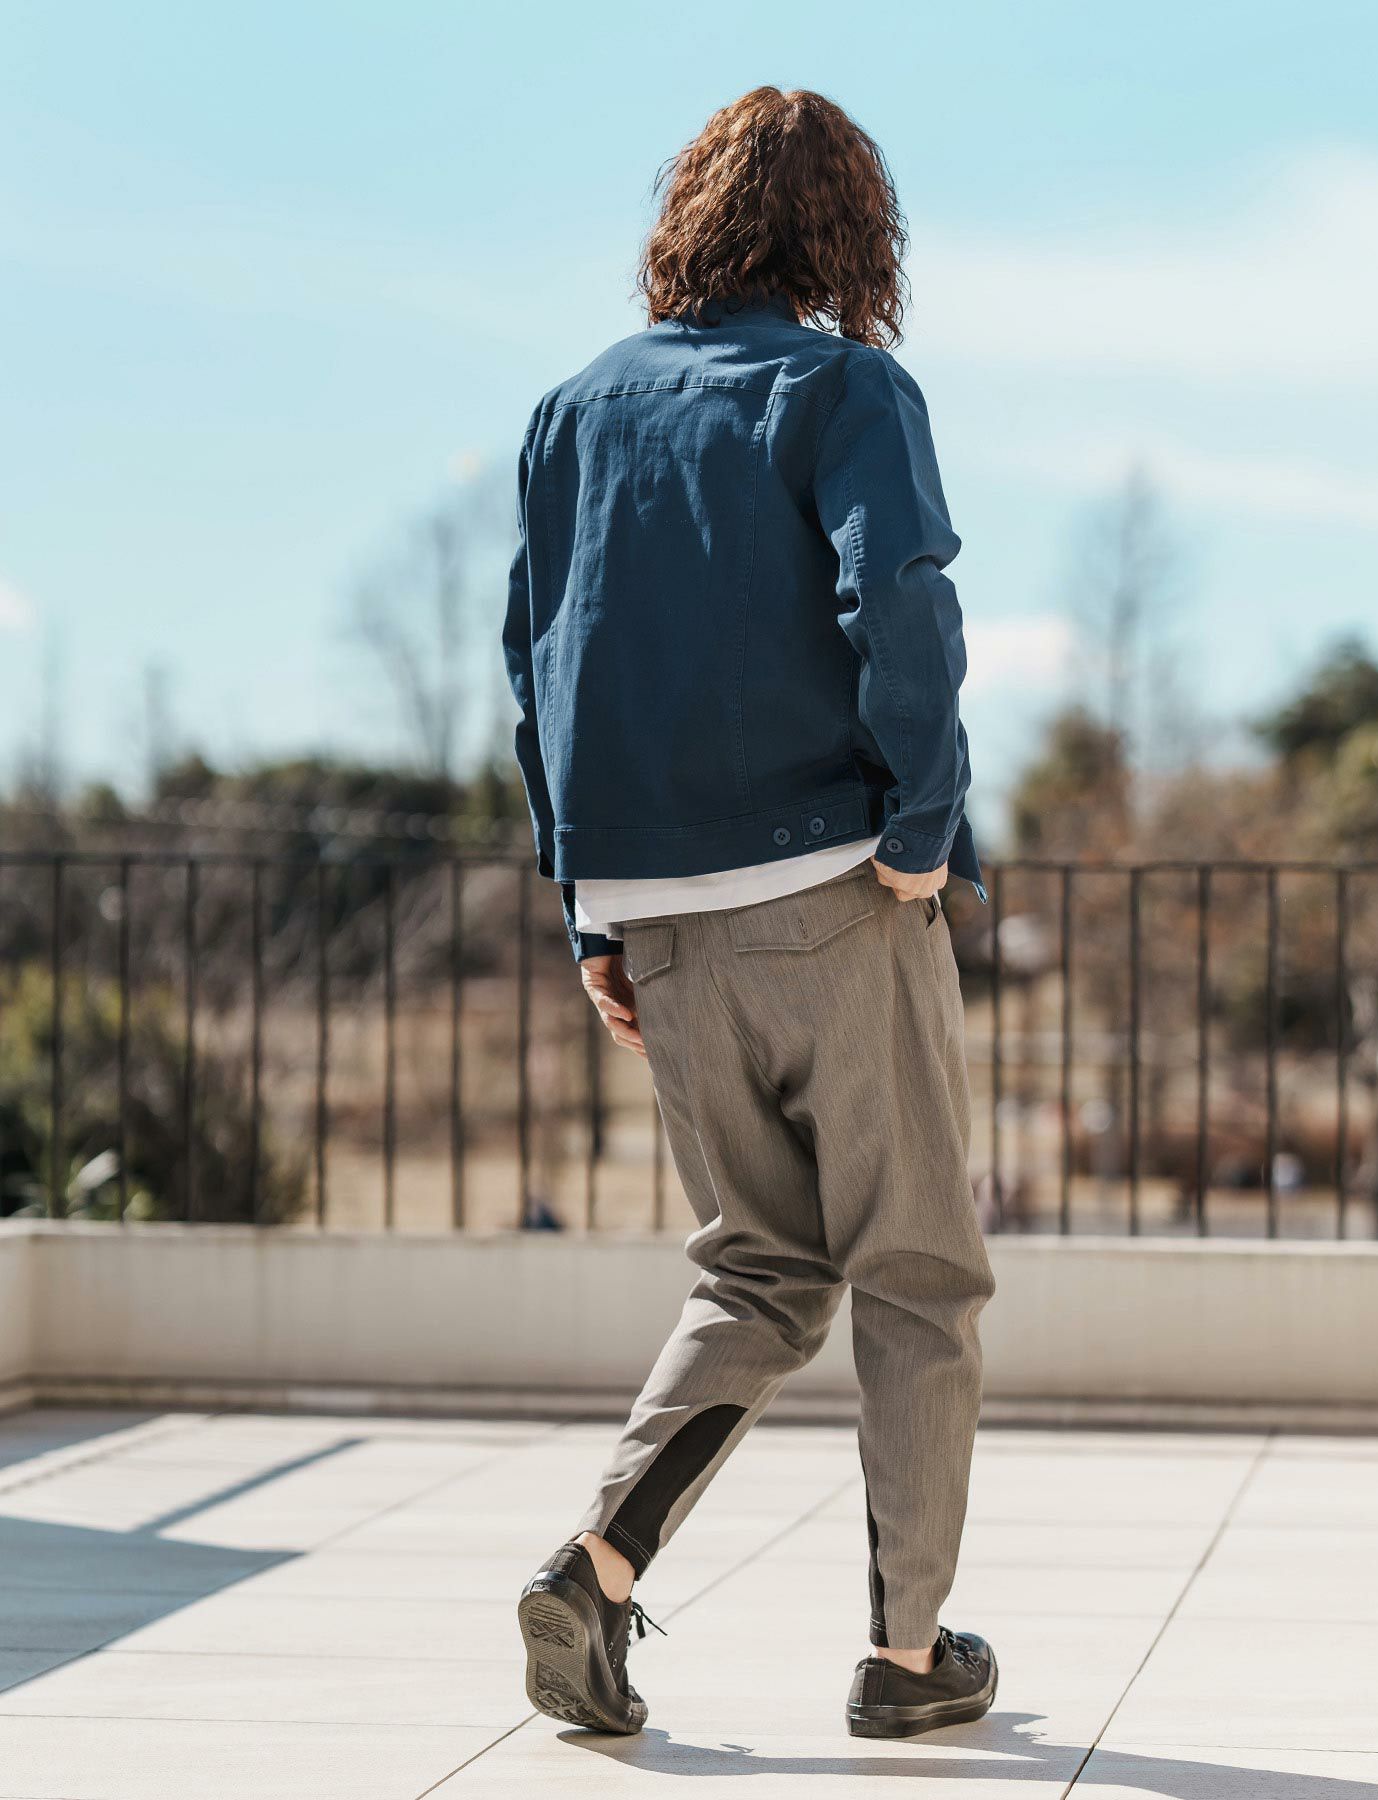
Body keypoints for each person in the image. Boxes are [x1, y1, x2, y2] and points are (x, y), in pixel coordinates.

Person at [505, 86, 997, 1741]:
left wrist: (591, 908)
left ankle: (597, 1568)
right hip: (834, 889)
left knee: (759, 1269)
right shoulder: (845, 388)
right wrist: (923, 831)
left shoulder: (574, 410)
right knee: (915, 1273)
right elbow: (901, 605)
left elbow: (539, 664)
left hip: (658, 917)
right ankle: (909, 1658)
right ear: (850, 232)